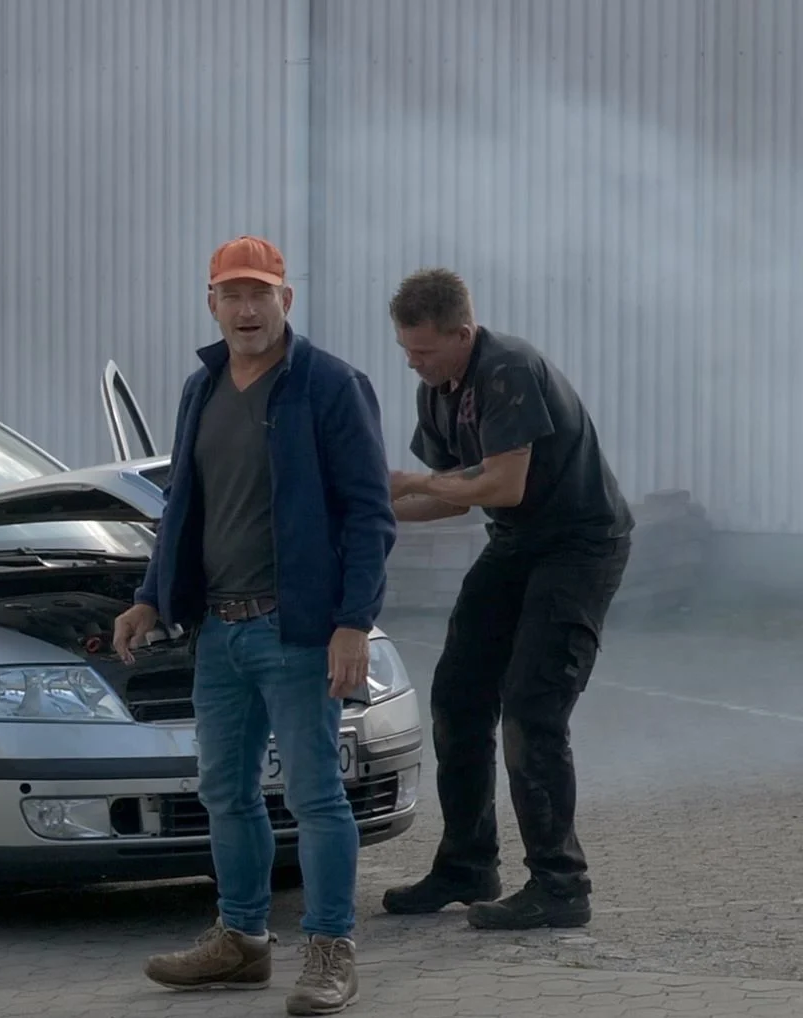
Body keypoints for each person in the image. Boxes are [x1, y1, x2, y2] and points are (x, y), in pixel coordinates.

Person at [115, 235, 396, 1016]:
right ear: (212, 304)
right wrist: (149, 596)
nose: (246, 310)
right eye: (232, 295)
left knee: (315, 796)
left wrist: (353, 623)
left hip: (297, 633)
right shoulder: (200, 389)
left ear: (285, 301)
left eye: (259, 294)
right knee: (224, 792)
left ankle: (331, 950)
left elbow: (370, 516)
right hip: (220, 631)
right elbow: (181, 507)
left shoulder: (330, 386)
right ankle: (241, 941)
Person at [377, 268, 634, 930]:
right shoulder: (436, 391)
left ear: (463, 334)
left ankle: (560, 884)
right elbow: (450, 499)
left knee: (531, 707)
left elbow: (501, 484)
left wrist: (415, 482)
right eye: (405, 348)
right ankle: (467, 865)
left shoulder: (507, 369)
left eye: (423, 349)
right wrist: (371, 510)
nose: (413, 362)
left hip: (579, 546)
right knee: (457, 696)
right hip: (517, 543)